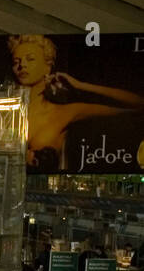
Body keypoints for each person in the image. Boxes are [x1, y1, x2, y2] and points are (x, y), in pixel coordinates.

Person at [8, 34, 144, 173]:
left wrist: (81, 86)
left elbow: (138, 104)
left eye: (30, 59)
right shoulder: (5, 113)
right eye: (16, 62)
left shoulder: (63, 113)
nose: (22, 65)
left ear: (48, 66)